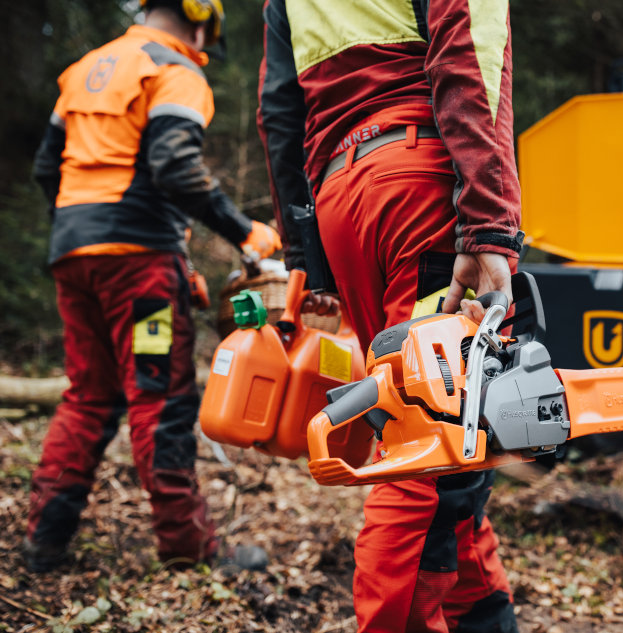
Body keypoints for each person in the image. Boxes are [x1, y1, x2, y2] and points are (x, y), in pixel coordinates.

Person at [257, 1, 523, 631]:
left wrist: (305, 254)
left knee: (454, 439)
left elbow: (278, 110)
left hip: (340, 200)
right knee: (429, 442)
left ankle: (486, 619)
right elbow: (471, 51)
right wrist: (489, 219)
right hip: (418, 188)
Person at [23, 0, 280, 573]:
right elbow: (176, 168)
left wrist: (82, 230)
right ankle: (189, 548)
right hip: (138, 265)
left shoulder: (85, 69)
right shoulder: (174, 71)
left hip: (74, 254)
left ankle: (45, 538)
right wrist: (245, 233)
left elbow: (48, 168)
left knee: (88, 395)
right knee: (159, 397)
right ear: (198, 19)